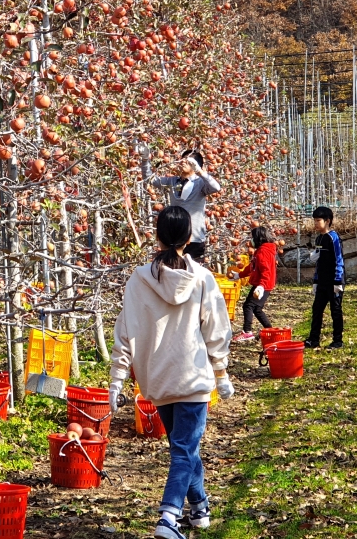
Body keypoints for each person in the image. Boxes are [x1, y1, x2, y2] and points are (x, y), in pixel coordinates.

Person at [108, 205, 233, 535]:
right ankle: (168, 518)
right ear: (189, 238)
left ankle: (200, 508)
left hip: (159, 380)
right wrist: (220, 372)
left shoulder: (138, 281)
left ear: (157, 236)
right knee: (183, 451)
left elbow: (125, 333)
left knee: (183, 449)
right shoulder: (202, 279)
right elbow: (216, 329)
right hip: (192, 379)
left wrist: (117, 379)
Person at [150, 149, 221, 261]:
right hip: (175, 239)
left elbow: (216, 188)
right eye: (182, 159)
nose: (183, 162)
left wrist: (200, 172)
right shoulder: (172, 181)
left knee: (193, 275)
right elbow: (151, 180)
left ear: (196, 165)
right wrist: (145, 160)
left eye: (188, 161)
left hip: (194, 240)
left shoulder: (200, 183)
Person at [304, 206, 345, 349]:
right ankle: (313, 339)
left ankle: (338, 341)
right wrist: (315, 281)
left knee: (336, 311)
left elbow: (339, 259)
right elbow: (319, 262)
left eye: (318, 220)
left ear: (327, 221)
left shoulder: (333, 238)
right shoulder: (319, 238)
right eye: (314, 220)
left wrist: (338, 280)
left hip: (333, 281)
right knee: (317, 310)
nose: (315, 223)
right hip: (321, 281)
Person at [234, 226, 276, 342]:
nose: (251, 240)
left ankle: (247, 332)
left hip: (262, 284)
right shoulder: (262, 250)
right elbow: (252, 266)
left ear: (258, 238)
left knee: (248, 305)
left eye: (253, 237)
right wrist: (239, 275)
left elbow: (266, 270)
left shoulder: (263, 251)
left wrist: (261, 286)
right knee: (257, 308)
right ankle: (271, 331)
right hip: (263, 284)